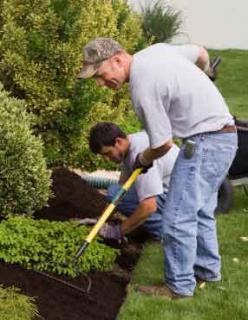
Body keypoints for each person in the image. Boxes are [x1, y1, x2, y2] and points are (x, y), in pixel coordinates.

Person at [79, 38, 237, 299]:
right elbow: (200, 53)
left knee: (176, 218)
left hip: (204, 142)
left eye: (100, 74)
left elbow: (162, 144)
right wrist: (207, 73)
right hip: (224, 137)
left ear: (117, 59)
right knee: (202, 211)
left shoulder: (142, 86)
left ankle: (178, 287)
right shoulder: (157, 52)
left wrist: (142, 159)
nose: (100, 83)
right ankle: (208, 270)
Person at [89, 122, 179, 241]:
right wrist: (100, 221)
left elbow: (149, 206)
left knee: (123, 196)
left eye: (107, 153)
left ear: (118, 142)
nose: (106, 159)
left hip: (180, 197)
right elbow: (121, 189)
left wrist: (118, 231)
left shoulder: (141, 156)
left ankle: (168, 234)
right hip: (175, 192)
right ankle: (155, 225)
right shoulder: (131, 145)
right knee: (116, 192)